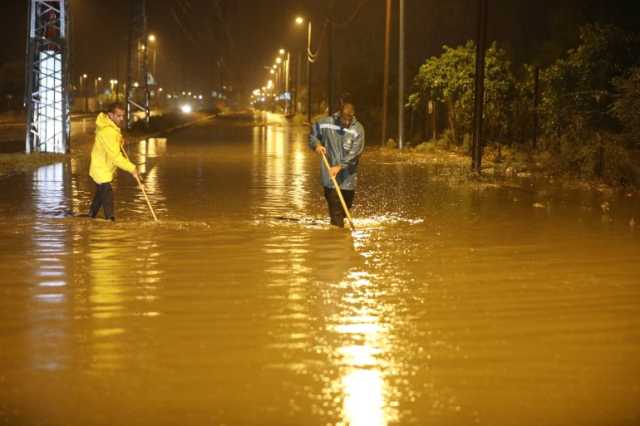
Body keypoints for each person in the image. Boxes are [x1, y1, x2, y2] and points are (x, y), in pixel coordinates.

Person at [309, 93, 365, 228]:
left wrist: (340, 166)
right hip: (331, 179)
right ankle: (337, 241)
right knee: (337, 216)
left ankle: (339, 231)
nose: (347, 120)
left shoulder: (358, 129)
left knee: (345, 210)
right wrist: (316, 145)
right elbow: (313, 134)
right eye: (345, 116)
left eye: (350, 116)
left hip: (348, 180)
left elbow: (355, 153)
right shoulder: (326, 123)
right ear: (340, 112)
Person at [88, 102, 140, 221]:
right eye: (119, 116)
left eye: (122, 116)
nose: (121, 119)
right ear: (110, 115)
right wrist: (132, 168)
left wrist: (118, 141)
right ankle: (110, 221)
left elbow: (110, 145)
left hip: (103, 167)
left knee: (101, 194)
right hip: (101, 168)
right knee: (107, 193)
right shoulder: (108, 131)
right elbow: (116, 157)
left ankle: (91, 216)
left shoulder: (110, 127)